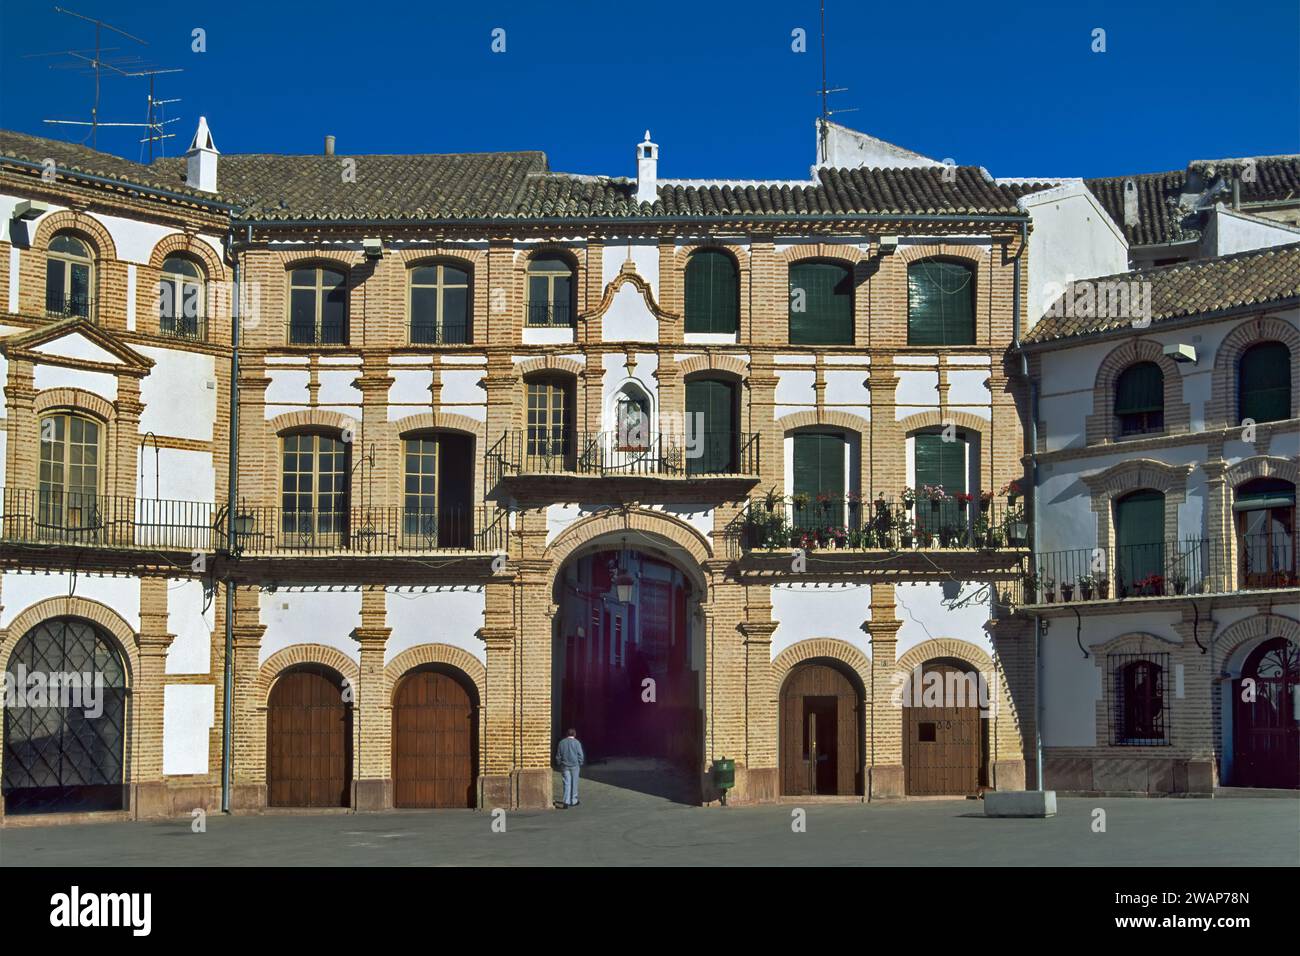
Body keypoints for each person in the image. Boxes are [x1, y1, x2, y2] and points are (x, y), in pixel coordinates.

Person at [555, 727, 585, 808]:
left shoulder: (561, 742)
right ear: (574, 734)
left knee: (566, 783)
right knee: (574, 783)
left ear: (567, 734)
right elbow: (580, 754)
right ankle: (573, 800)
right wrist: (580, 762)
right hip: (575, 765)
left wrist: (559, 763)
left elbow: (558, 755)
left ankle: (566, 801)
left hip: (565, 765)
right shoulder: (577, 743)